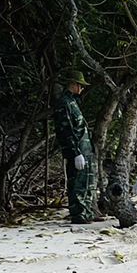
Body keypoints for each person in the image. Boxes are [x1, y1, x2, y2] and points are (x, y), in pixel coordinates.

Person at [52, 68, 93, 224]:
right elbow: (66, 130)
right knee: (77, 183)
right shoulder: (64, 104)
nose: (82, 88)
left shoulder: (72, 102)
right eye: (80, 85)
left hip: (85, 148)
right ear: (72, 84)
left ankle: (86, 212)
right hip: (77, 150)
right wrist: (75, 152)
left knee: (87, 183)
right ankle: (78, 214)